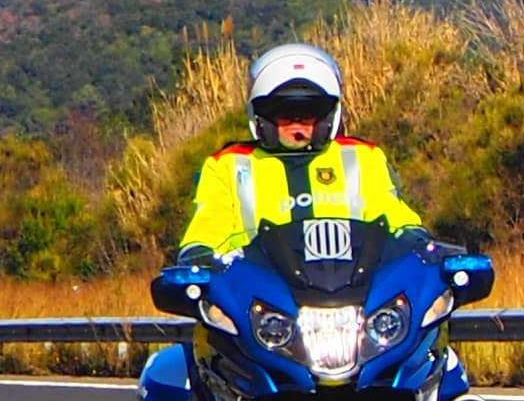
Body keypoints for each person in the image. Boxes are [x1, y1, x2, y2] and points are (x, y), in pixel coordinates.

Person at [176, 43, 425, 257]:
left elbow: (395, 217)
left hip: (355, 295)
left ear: (327, 117)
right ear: (262, 116)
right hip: (259, 300)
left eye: (308, 114)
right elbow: (207, 227)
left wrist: (418, 242)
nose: (296, 125)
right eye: (284, 114)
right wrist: (198, 255)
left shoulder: (361, 158)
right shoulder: (229, 165)